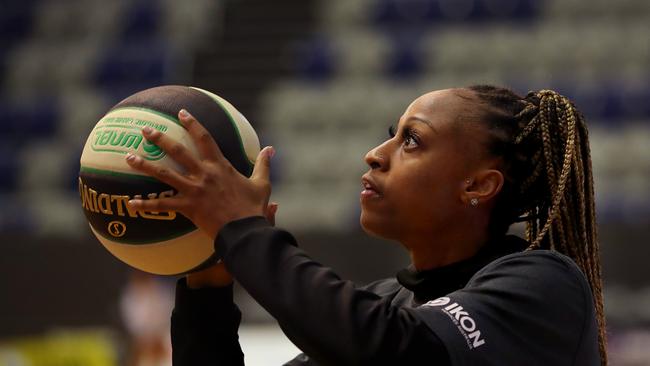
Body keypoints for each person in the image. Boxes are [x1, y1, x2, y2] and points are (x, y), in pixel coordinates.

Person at [125, 85, 607, 365]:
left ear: (478, 185)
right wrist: (209, 283)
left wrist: (244, 232)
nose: (376, 155)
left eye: (412, 141)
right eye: (389, 136)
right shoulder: (385, 305)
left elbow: (395, 351)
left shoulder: (544, 288)